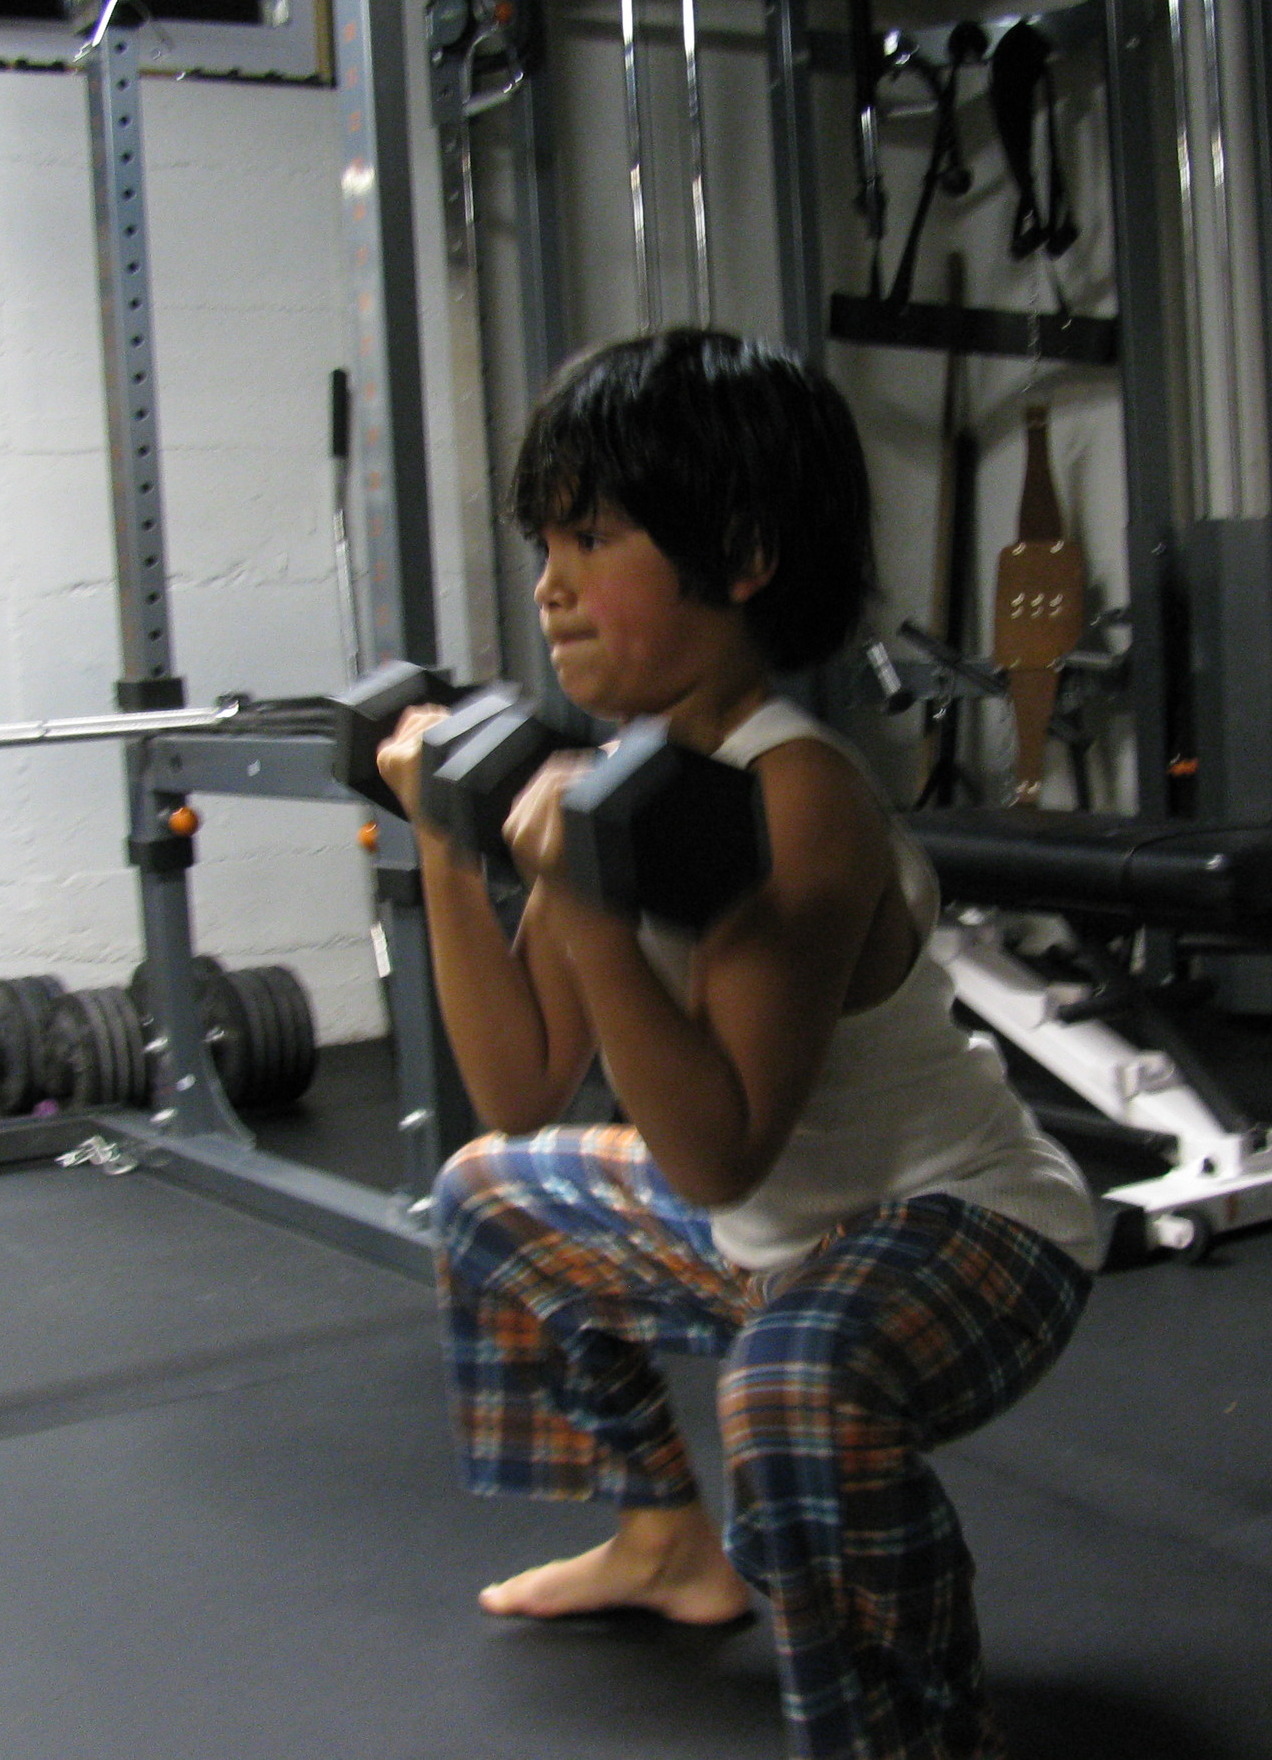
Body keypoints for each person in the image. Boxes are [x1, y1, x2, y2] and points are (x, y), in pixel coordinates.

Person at [377, 328, 1104, 1760]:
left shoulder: (799, 797)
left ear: (746, 554)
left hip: (966, 1232)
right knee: (489, 1192)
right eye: (544, 543)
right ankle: (663, 1539)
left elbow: (719, 1153)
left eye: (593, 538)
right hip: (775, 1245)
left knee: (791, 1389)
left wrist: (589, 903)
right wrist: (448, 855)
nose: (549, 585)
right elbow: (518, 1087)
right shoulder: (619, 778)